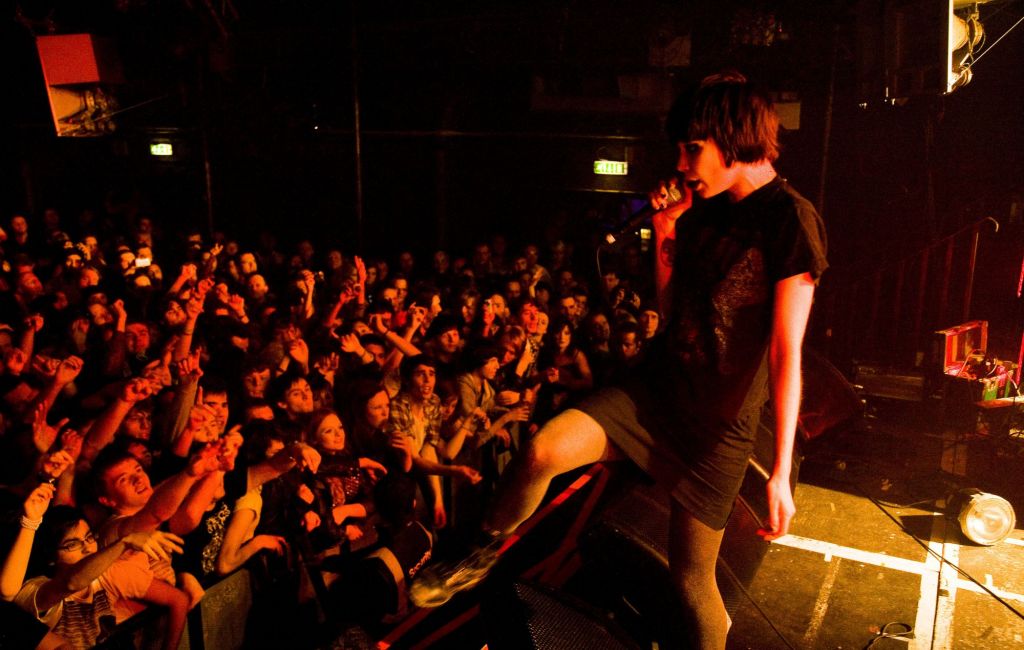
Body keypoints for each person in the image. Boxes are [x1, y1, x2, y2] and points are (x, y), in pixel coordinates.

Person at [410, 71, 828, 650]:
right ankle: (478, 551)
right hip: (653, 392)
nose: (681, 164)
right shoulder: (702, 211)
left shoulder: (791, 219)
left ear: (733, 139)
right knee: (541, 450)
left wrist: (780, 469)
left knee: (690, 582)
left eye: (692, 149)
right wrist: (664, 230)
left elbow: (786, 353)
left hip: (715, 432)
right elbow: (669, 308)